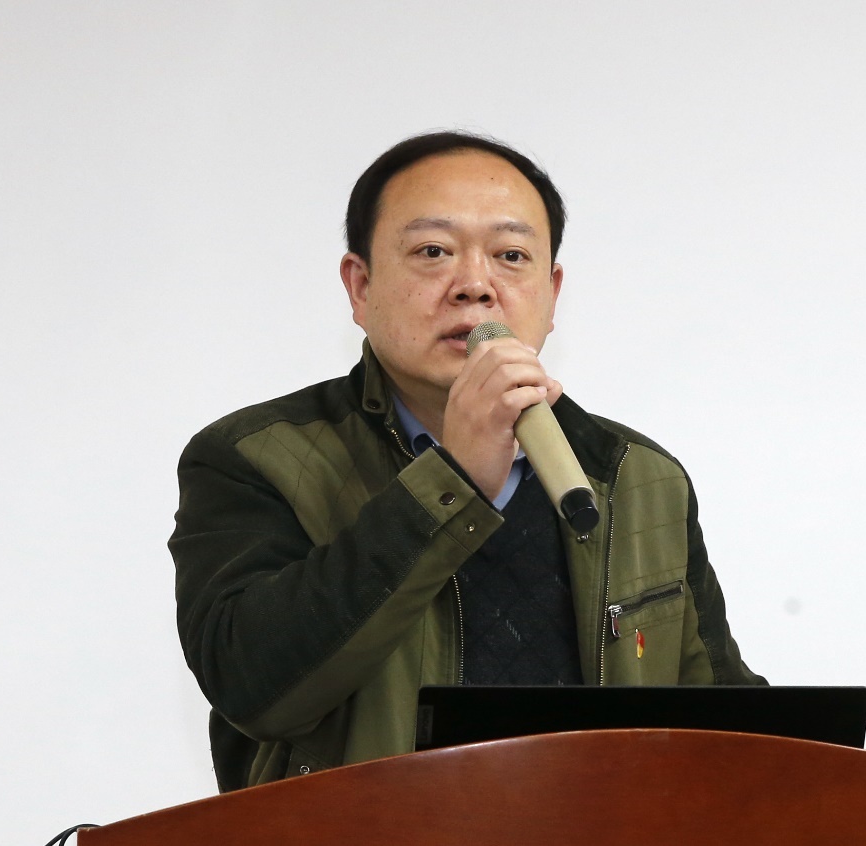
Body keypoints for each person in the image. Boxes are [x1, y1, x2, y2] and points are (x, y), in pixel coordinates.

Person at [169, 131, 766, 793]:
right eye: (433, 252)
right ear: (360, 286)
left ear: (551, 293)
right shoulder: (253, 458)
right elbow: (255, 689)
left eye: (511, 256)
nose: (475, 286)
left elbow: (723, 729)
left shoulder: (636, 475)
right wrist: (452, 481)